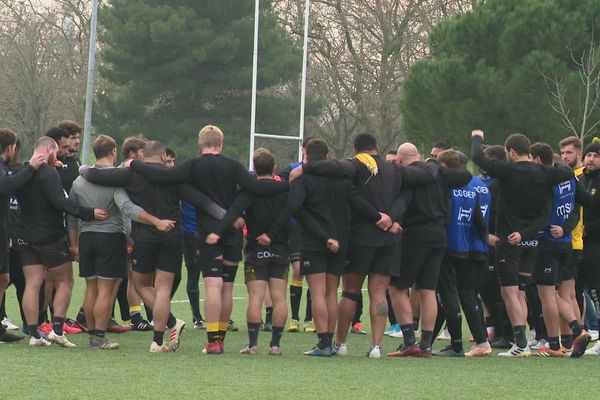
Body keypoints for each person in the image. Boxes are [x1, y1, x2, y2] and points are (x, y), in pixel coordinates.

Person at [127, 125, 288, 354]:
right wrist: (288, 183)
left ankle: (212, 342)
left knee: (213, 285)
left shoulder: (193, 165)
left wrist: (135, 163)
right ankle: (220, 339)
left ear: (200, 144)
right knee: (227, 287)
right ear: (220, 143)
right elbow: (256, 187)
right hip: (233, 232)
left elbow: (164, 176)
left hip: (209, 233)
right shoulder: (234, 165)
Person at [290, 133, 433, 358]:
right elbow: (411, 191)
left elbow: (336, 171)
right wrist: (392, 219)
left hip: (361, 237)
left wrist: (305, 169)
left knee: (350, 292)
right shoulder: (396, 169)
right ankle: (377, 346)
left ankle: (340, 343)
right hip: (389, 239)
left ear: (356, 151)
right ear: (377, 147)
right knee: (378, 293)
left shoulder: (355, 165)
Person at [82, 140, 225, 352]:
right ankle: (157, 341)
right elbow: (200, 199)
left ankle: (170, 326)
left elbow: (96, 175)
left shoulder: (131, 174)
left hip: (145, 237)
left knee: (140, 285)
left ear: (142, 156)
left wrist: (82, 167)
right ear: (162, 157)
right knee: (164, 290)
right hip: (172, 236)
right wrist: (225, 216)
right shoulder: (174, 177)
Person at [470, 130, 574, 357]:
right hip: (533, 240)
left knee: (509, 292)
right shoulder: (545, 173)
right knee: (521, 291)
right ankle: (526, 339)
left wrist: (477, 137)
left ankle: (520, 344)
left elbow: (478, 158)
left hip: (510, 240)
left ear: (512, 152)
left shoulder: (507, 171)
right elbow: (566, 173)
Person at [68, 135, 176, 350]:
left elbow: (71, 214)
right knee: (106, 290)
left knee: (91, 288)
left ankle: (92, 335)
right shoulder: (117, 178)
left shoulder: (79, 181)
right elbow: (127, 209)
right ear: (113, 151)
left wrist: (74, 243)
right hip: (110, 236)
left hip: (86, 237)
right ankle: (99, 337)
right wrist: (154, 222)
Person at [17, 136, 106, 347]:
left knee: (32, 284)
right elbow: (60, 202)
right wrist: (89, 212)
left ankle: (34, 334)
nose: (58, 157)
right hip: (49, 236)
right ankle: (57, 329)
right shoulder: (48, 173)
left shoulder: (23, 171)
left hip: (26, 236)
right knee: (66, 281)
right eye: (56, 152)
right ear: (49, 149)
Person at [387, 143, 471, 358]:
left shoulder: (412, 177)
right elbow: (464, 177)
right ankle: (425, 345)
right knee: (428, 290)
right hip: (439, 235)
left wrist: (390, 219)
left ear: (399, 160)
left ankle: (408, 340)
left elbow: (403, 202)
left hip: (417, 235)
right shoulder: (440, 174)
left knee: (397, 286)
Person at [207, 148, 291, 355]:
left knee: (255, 297)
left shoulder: (249, 191)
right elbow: (290, 214)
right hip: (280, 248)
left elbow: (233, 212)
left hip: (255, 249)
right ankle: (275, 345)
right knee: (279, 298)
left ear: (253, 169)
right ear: (274, 168)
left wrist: (217, 232)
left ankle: (253, 344)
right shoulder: (285, 190)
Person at [529, 142, 591, 357]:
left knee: (548, 294)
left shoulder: (544, 182)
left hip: (547, 241)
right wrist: (567, 226)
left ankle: (561, 341)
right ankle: (568, 342)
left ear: (537, 160)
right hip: (567, 242)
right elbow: (583, 202)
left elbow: (541, 213)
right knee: (568, 294)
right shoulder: (570, 177)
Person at [429, 149, 491, 357]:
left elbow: (444, 215)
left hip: (449, 244)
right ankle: (429, 341)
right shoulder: (476, 186)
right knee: (466, 294)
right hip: (469, 247)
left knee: (448, 295)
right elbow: (480, 220)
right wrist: (487, 239)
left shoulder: (448, 185)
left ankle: (456, 345)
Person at [0, 129, 46, 343]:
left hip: (4, 229)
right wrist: (31, 168)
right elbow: (5, 187)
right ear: (10, 148)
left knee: (4, 278)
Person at [579, 139, 600, 356]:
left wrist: (589, 228)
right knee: (577, 289)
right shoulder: (580, 179)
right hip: (578, 245)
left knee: (597, 291)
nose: (591, 159)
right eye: (589, 155)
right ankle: (580, 334)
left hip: (596, 244)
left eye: (595, 156)